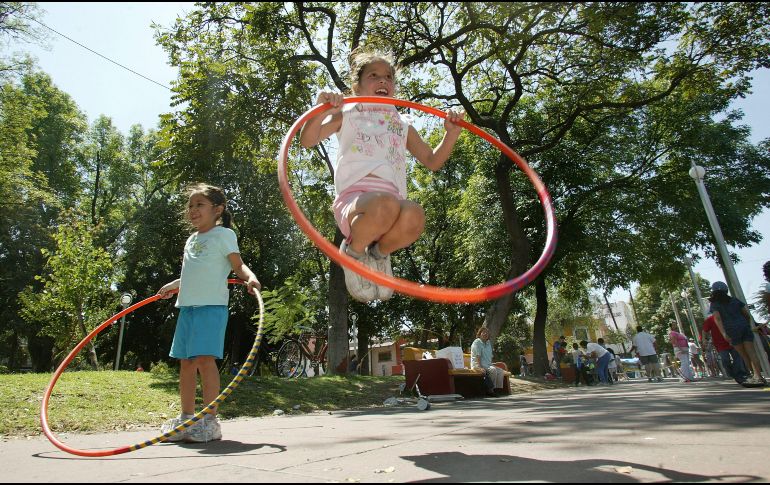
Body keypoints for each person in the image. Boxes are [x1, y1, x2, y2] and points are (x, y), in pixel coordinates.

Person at [299, 47, 465, 303]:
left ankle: (378, 255)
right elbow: (308, 140)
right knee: (384, 204)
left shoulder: (402, 123)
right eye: (373, 76)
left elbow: (432, 161)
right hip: (356, 204)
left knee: (415, 214)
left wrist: (451, 134)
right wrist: (321, 111)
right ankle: (353, 254)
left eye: (388, 77)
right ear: (356, 86)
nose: (383, 81)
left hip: (391, 209)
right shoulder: (348, 113)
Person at [157, 183, 262, 443]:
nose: (193, 210)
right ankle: (186, 418)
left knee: (204, 360)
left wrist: (250, 278)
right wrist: (174, 285)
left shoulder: (224, 234)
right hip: (187, 306)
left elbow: (238, 265)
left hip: (211, 307)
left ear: (218, 209)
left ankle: (210, 421)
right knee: (186, 363)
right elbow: (193, 273)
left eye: (199, 204)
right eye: (190, 205)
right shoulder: (191, 240)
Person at [708, 281, 766, 385]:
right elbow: (746, 314)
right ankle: (759, 376)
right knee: (752, 352)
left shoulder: (715, 304)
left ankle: (753, 376)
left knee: (743, 355)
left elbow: (717, 319)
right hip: (744, 326)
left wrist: (724, 334)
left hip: (731, 330)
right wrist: (747, 324)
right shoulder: (734, 300)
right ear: (726, 290)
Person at [702, 313, 749, 382]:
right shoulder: (710, 319)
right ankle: (732, 374)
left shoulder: (728, 315)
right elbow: (704, 330)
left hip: (732, 341)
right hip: (720, 344)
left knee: (737, 357)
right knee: (725, 360)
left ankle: (739, 374)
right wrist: (703, 339)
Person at [470, 327, 505, 396]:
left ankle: (496, 389)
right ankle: (490, 390)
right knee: (493, 370)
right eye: (483, 332)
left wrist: (491, 364)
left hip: (487, 364)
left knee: (500, 371)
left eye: (487, 333)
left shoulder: (488, 343)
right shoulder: (477, 342)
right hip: (477, 364)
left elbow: (490, 356)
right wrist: (480, 367)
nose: (485, 334)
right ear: (479, 334)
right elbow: (478, 356)